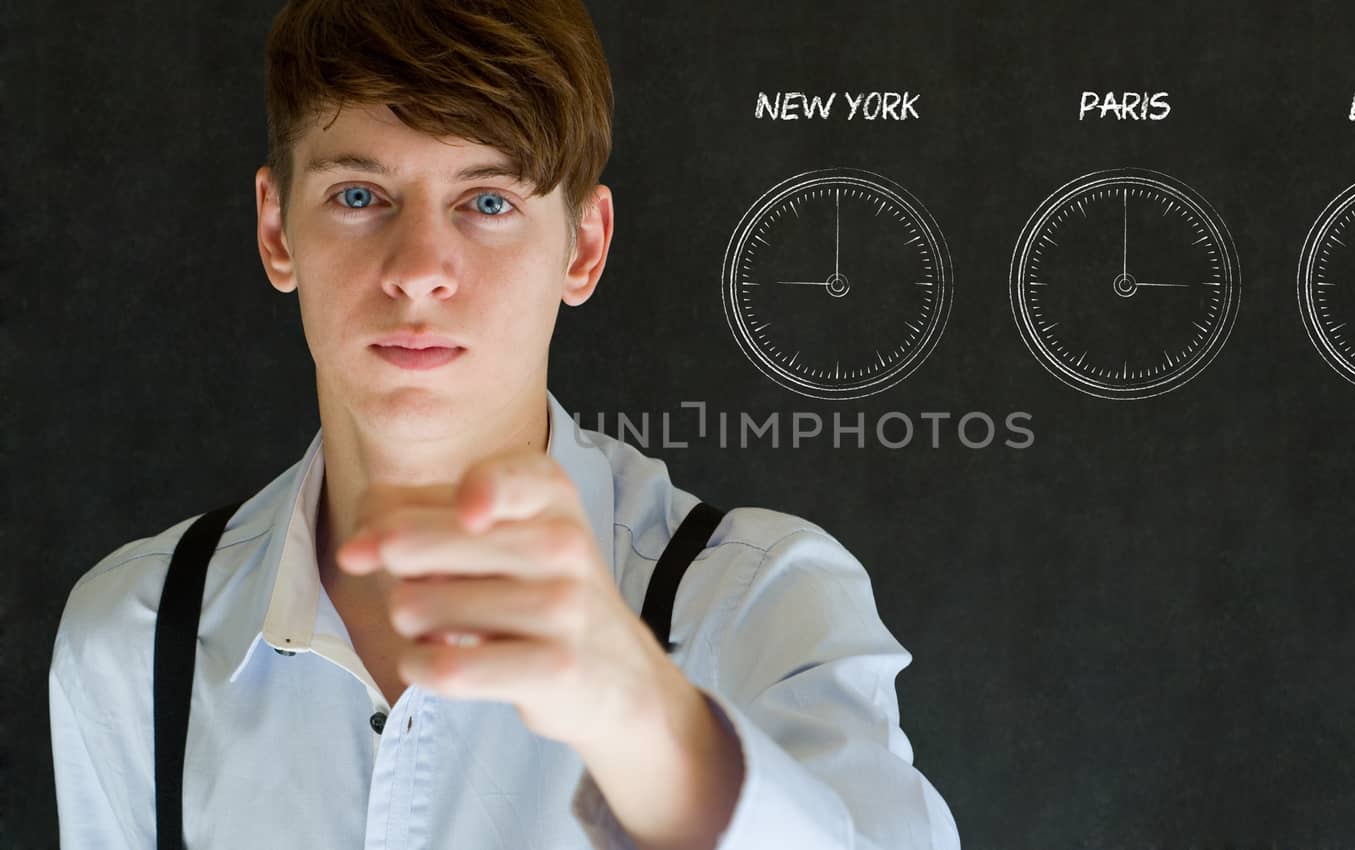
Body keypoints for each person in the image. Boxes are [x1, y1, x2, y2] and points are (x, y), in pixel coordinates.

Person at [46, 1, 961, 848]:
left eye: (488, 202)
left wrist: (647, 718)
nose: (419, 270)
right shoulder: (132, 639)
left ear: (585, 246)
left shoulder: (758, 603)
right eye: (360, 195)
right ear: (278, 229)